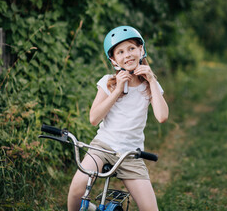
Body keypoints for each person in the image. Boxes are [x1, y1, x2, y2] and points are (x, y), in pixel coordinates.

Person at [67, 26, 169, 211]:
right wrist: (117, 91)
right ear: (114, 60)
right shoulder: (108, 81)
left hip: (130, 154)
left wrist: (152, 80)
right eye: (120, 52)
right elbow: (94, 119)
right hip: (103, 146)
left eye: (131, 48)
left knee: (150, 209)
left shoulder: (149, 86)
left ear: (141, 50)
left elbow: (162, 116)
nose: (127, 55)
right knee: (77, 188)